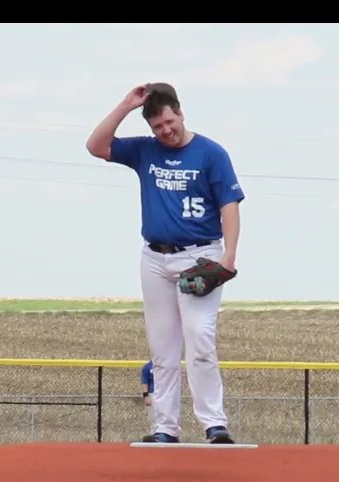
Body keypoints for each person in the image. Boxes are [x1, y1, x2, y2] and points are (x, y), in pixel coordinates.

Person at [87, 82, 244, 445]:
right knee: (163, 348)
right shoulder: (146, 151)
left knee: (200, 338)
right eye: (157, 127)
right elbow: (96, 146)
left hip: (199, 255)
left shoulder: (210, 153)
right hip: (155, 257)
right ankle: (165, 427)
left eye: (169, 122)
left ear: (180, 112)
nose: (166, 131)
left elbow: (230, 206)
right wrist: (126, 105)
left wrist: (228, 258)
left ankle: (214, 424)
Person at [140, 359, 156, 434]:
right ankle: (154, 433)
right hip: (153, 393)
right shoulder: (148, 367)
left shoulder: (165, 366)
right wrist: (146, 396)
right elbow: (145, 383)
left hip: (164, 394)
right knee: (153, 417)